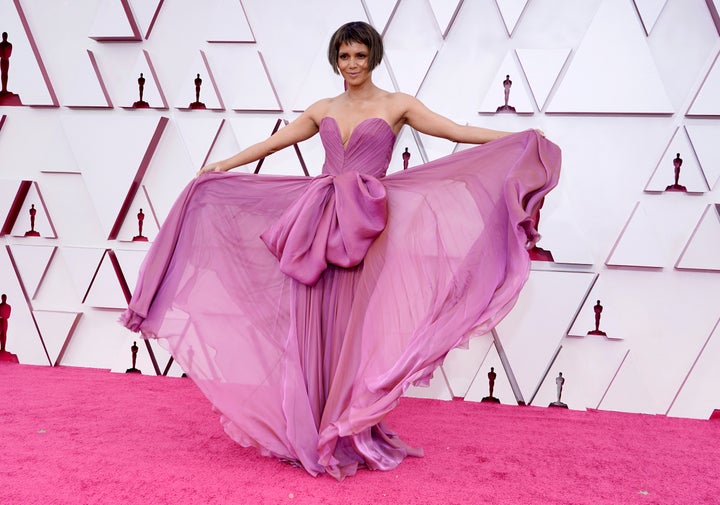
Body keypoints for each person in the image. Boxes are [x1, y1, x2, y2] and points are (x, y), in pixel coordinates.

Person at [121, 21, 560, 480]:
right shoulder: (323, 108)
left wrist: (516, 139)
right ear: (335, 59)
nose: (352, 64)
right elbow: (273, 143)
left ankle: (347, 429)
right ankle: (309, 430)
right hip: (318, 220)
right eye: (345, 56)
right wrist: (224, 165)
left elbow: (454, 131)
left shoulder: (398, 104)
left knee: (352, 327)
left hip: (365, 226)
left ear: (373, 57)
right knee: (312, 320)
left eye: (360, 56)